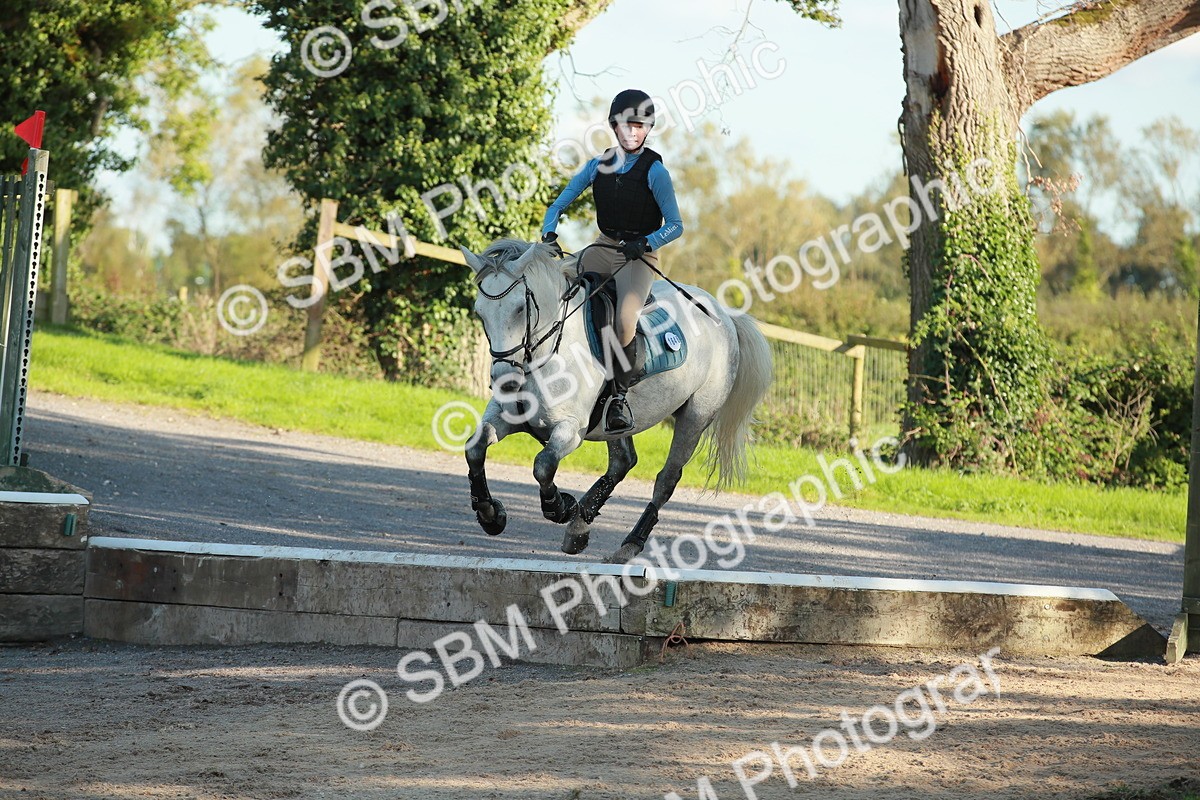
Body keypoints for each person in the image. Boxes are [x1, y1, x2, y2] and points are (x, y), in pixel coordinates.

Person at [540, 88, 684, 435]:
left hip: (639, 256)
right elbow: (559, 204)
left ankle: (618, 397)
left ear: (647, 129)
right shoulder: (596, 166)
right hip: (603, 247)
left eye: (639, 126)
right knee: (553, 288)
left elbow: (676, 225)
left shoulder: (656, 172)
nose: (632, 132)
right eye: (626, 125)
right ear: (614, 126)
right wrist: (548, 233)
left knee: (624, 320)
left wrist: (647, 242)